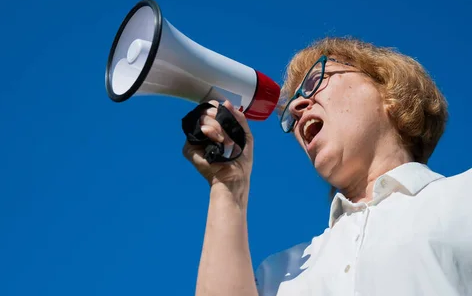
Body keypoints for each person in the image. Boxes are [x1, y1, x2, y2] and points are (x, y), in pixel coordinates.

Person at [183, 36, 472, 296]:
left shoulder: (462, 197)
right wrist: (228, 184)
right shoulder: (279, 274)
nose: (296, 111)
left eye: (313, 82)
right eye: (290, 116)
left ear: (389, 95)